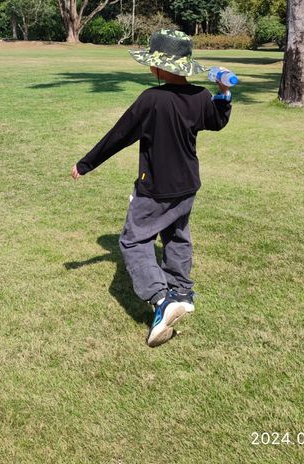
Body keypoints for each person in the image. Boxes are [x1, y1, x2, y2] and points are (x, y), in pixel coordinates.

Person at [71, 29, 232, 347]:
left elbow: (118, 136)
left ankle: (161, 299)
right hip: (187, 186)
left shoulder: (151, 100)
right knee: (177, 235)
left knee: (133, 241)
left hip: (155, 188)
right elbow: (217, 120)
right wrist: (224, 92)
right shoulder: (200, 96)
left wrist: (86, 163)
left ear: (160, 68)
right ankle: (183, 293)